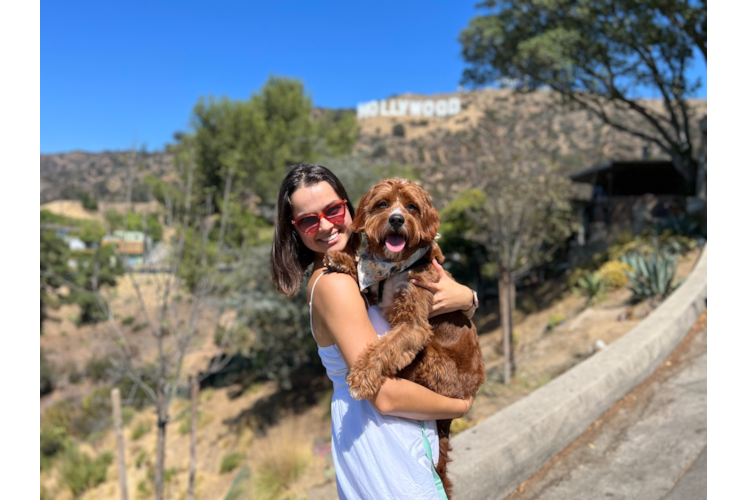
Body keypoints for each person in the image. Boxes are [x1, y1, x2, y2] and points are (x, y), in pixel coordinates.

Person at [271, 163, 478, 500]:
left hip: (394, 429)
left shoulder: (370, 267)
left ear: (351, 208)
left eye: (334, 210)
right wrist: (460, 406)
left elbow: (439, 309)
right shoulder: (335, 284)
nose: (325, 225)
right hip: (383, 439)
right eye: (308, 219)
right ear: (294, 229)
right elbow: (383, 395)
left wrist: (467, 299)